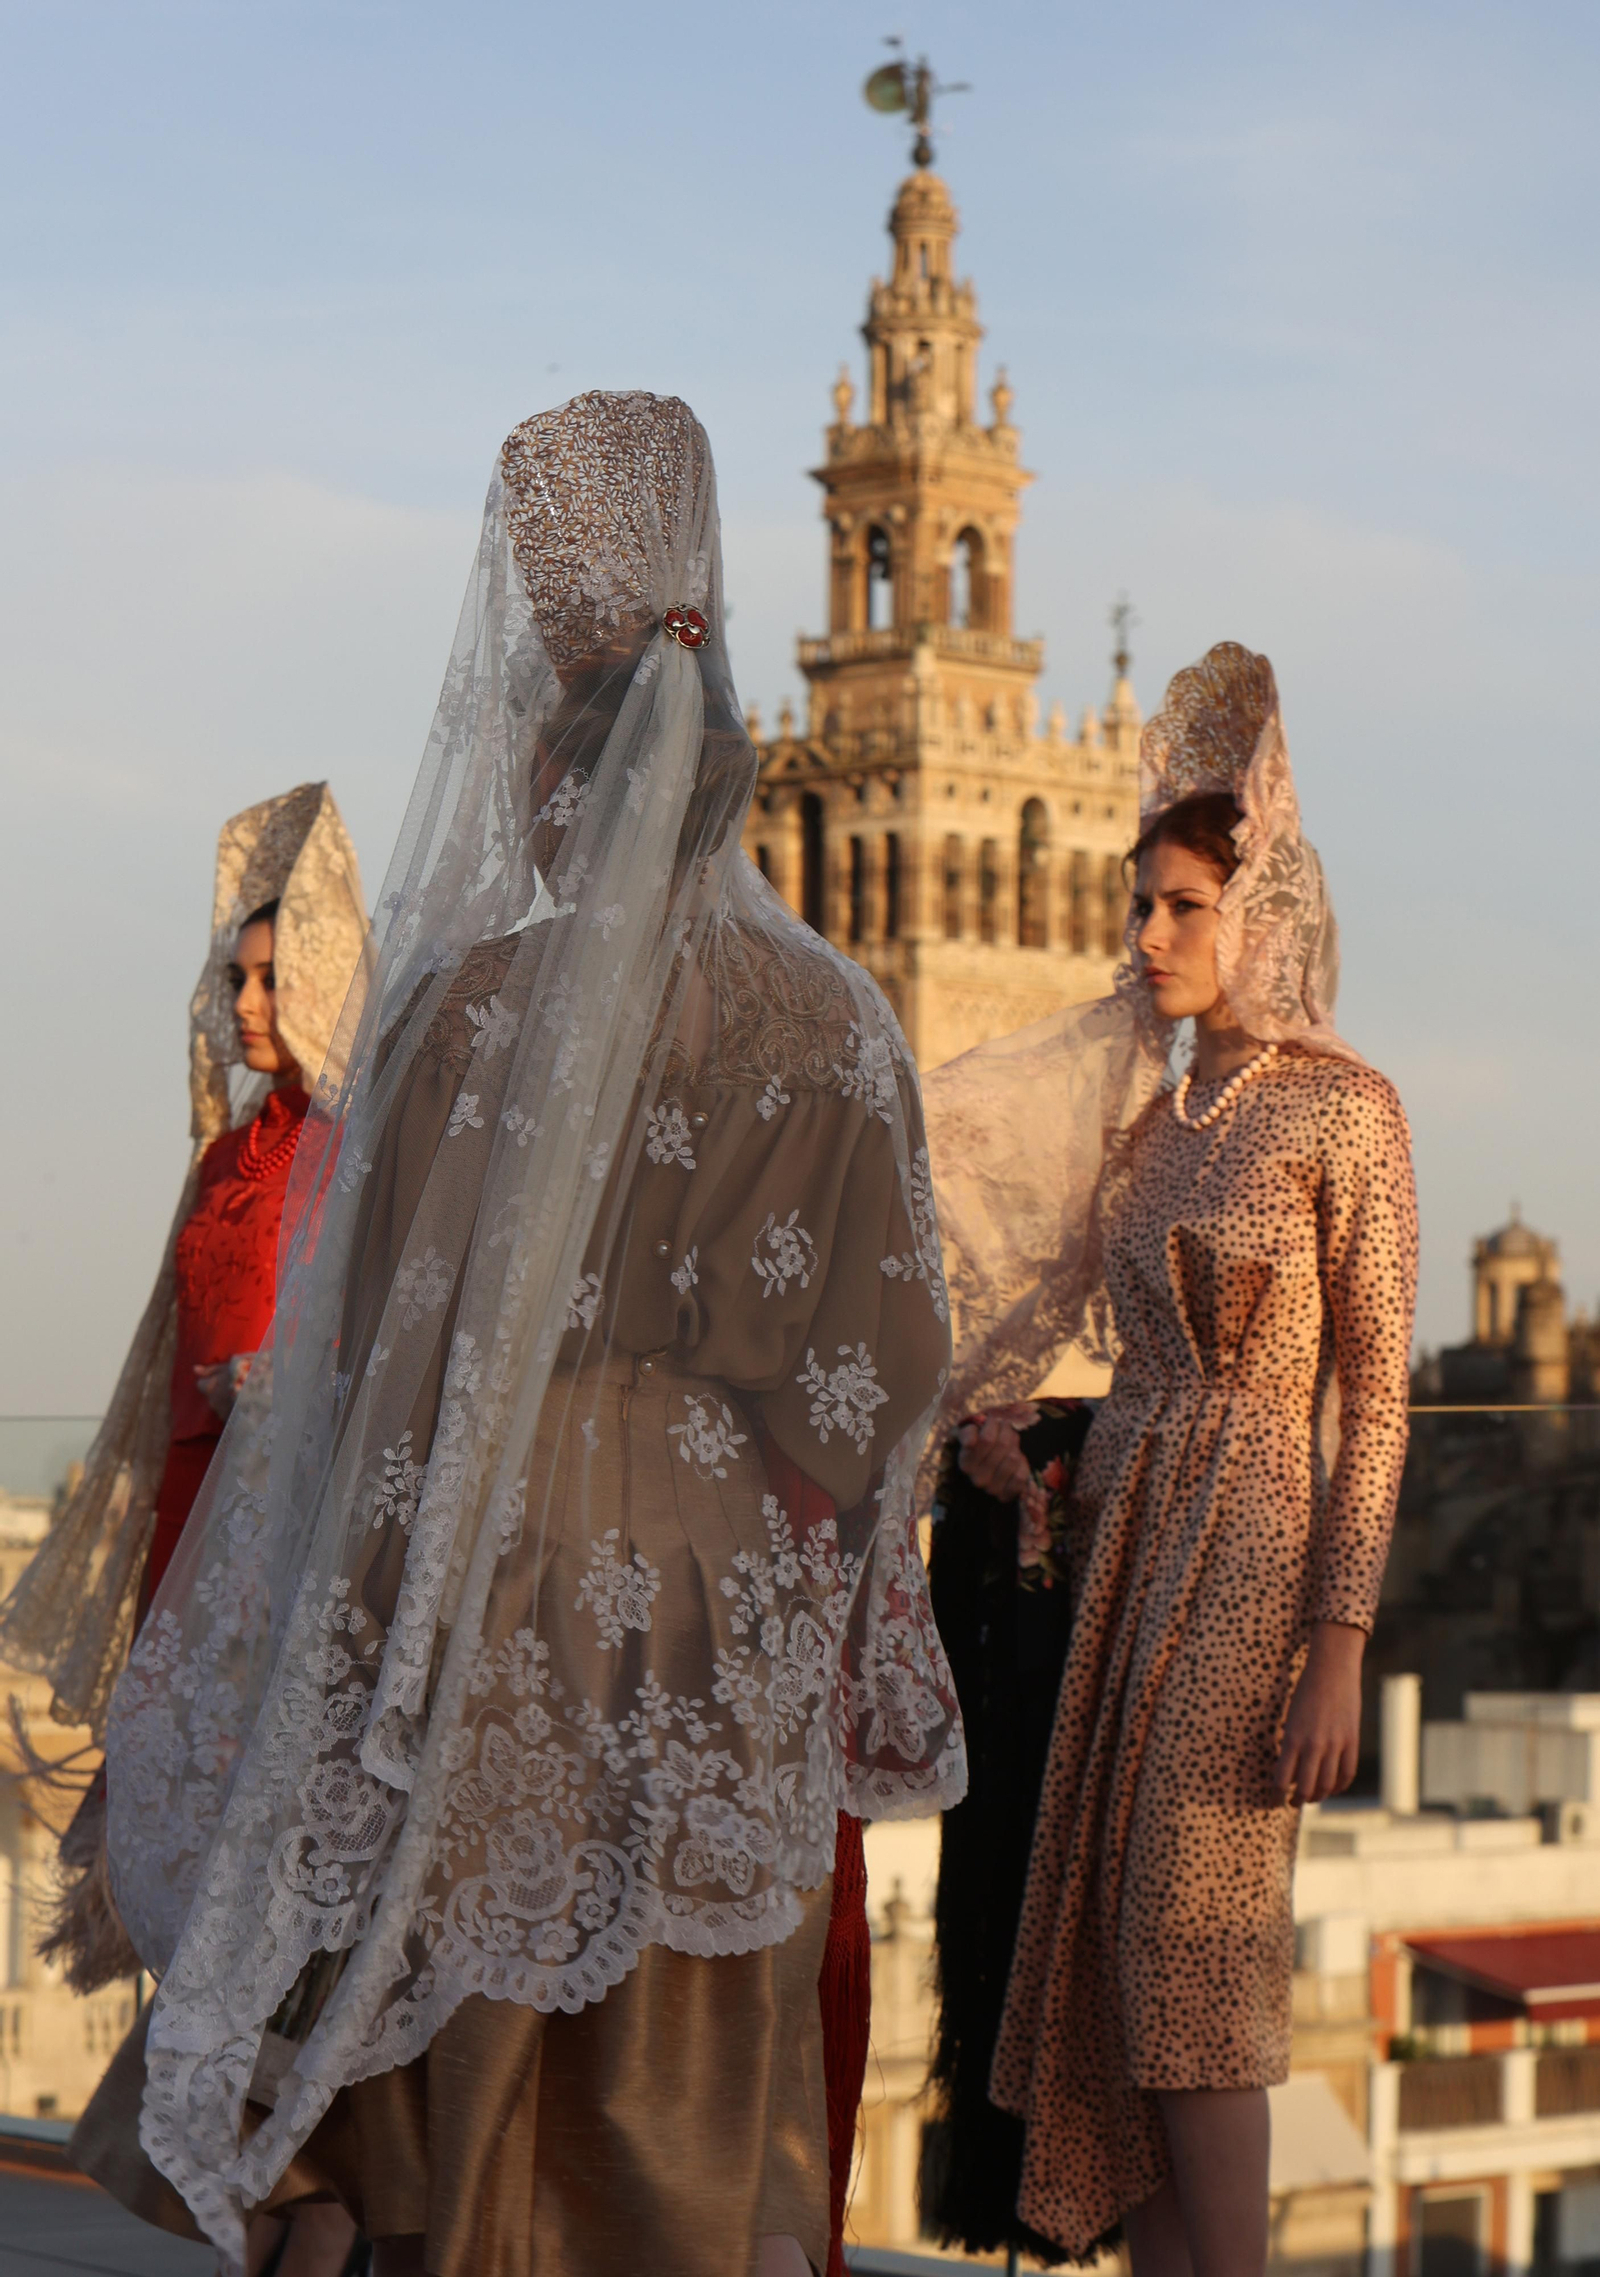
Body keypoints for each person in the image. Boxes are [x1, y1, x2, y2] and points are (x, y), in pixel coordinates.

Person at [89, 391, 963, 2277]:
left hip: (485, 1569)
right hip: (702, 1595)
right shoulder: (830, 1025)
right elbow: (878, 1371)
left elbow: (377, 1349)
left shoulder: (455, 1018)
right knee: (661, 2075)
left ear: (557, 785)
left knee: (449, 2040)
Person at [928, 642, 1417, 2277]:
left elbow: (1377, 1399)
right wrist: (1029, 1452)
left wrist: (1337, 1641)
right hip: (1129, 1551)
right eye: (1141, 905)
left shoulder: (1349, 1112)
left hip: (1253, 1562)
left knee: (1196, 1970)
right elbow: (1124, 1365)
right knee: (1115, 1971)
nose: (1145, 938)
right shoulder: (1150, 1131)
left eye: (1181, 907)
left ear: (1261, 911)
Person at [0, 784, 368, 1989]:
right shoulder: (227, 1154)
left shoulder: (360, 1153)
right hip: (185, 1511)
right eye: (235, 981)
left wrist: (294, 1386)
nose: (249, 1004)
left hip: (285, 1534)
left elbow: (390, 1341)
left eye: (273, 979)